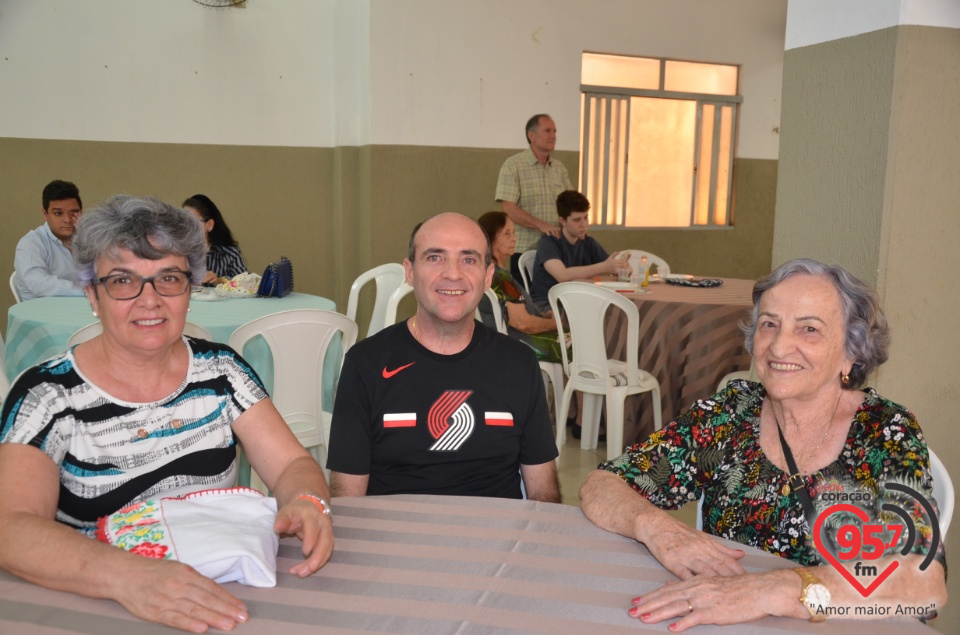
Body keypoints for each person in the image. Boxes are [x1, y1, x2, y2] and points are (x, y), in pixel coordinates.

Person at [0, 196, 334, 633]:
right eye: (122, 281)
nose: (149, 300)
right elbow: (11, 527)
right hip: (95, 602)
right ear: (93, 296)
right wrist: (129, 576)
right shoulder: (47, 395)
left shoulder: (222, 370)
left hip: (218, 595)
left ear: (190, 289)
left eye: (169, 279)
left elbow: (291, 463)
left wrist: (308, 502)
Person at [579, 258, 947, 630]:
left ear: (851, 353)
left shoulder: (884, 431)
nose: (780, 346)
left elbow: (923, 582)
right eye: (770, 324)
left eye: (809, 329)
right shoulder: (731, 414)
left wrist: (769, 591)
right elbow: (602, 485)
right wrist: (658, 528)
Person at [326, 213, 561, 503]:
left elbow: (544, 493)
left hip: (496, 537)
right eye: (435, 258)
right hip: (396, 537)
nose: (452, 274)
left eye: (469, 259)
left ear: (488, 276)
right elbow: (346, 502)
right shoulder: (365, 363)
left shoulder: (520, 364)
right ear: (410, 272)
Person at [476, 211, 565, 364]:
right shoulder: (501, 277)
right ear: (490, 239)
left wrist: (542, 317)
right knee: (581, 343)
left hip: (501, 340)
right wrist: (556, 324)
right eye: (507, 233)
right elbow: (522, 323)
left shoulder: (486, 271)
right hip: (517, 343)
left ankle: (569, 386)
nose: (514, 238)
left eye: (514, 232)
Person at [495, 114, 573, 281]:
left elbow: (570, 206)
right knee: (528, 303)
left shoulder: (559, 168)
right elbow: (508, 208)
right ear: (531, 136)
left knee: (555, 299)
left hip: (556, 250)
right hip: (525, 250)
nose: (553, 136)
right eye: (547, 131)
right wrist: (541, 225)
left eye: (555, 131)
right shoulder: (513, 165)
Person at [528, 190, 627, 310]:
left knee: (615, 311)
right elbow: (562, 276)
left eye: (586, 218)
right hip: (549, 303)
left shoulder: (587, 241)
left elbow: (611, 265)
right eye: (577, 220)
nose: (583, 224)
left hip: (578, 300)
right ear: (562, 221)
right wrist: (604, 267)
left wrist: (622, 267)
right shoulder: (549, 242)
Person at [13, 179, 86, 301]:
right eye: (58, 213)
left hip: (79, 310)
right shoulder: (30, 243)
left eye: (74, 213)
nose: (67, 220)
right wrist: (86, 290)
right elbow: (38, 283)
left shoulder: (86, 238)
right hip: (40, 314)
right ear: (45, 214)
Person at [182, 194, 248, 283]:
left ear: (209, 225)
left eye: (193, 221)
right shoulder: (175, 252)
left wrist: (220, 281)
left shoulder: (230, 254)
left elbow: (245, 284)